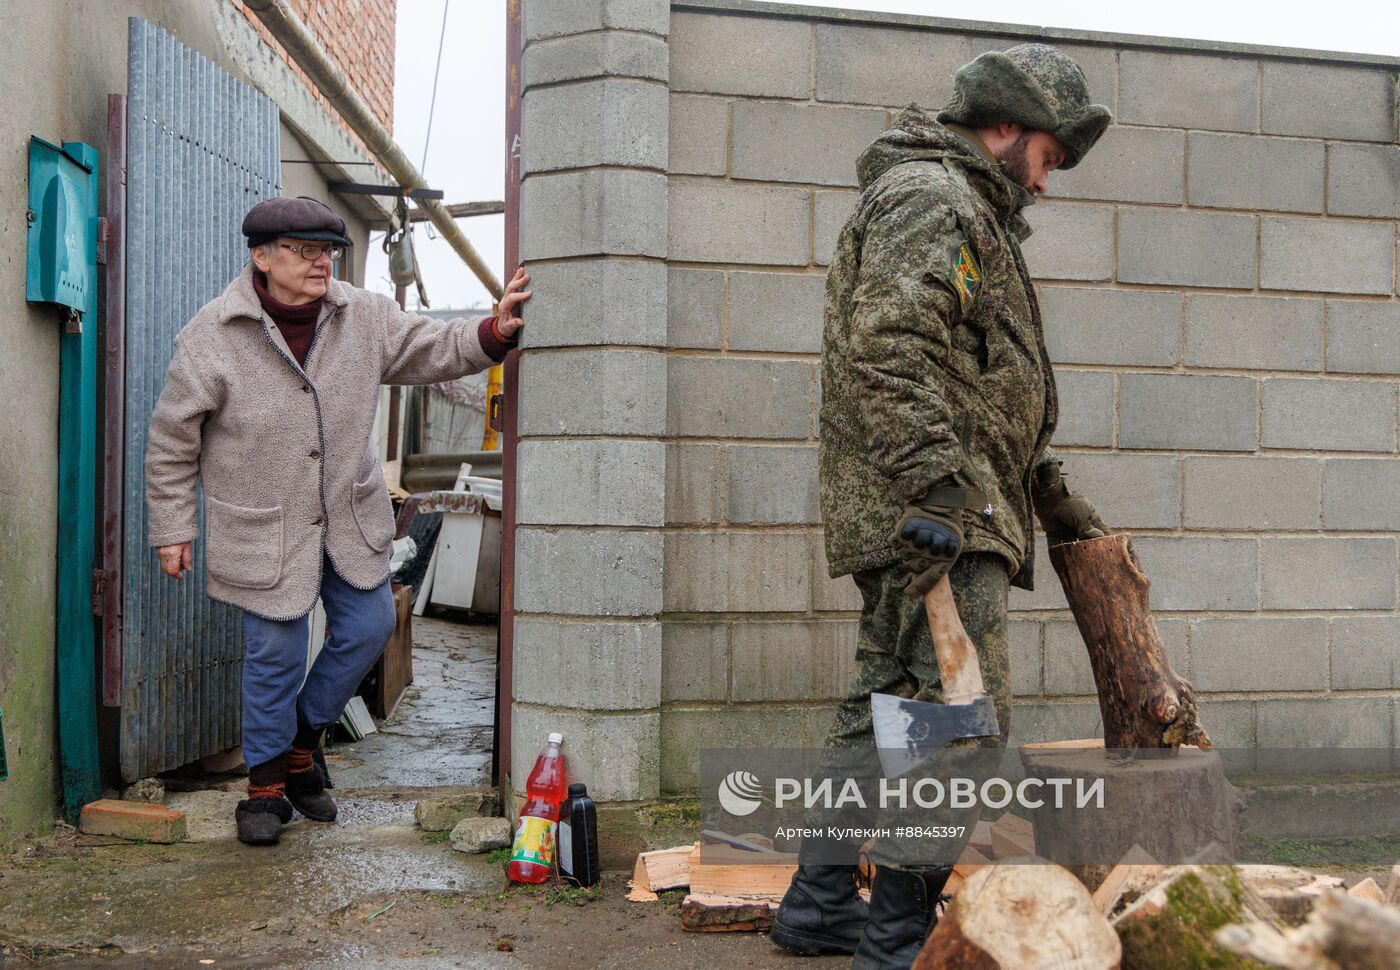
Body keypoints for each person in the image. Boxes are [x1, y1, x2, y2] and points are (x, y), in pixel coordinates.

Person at [771, 44, 1113, 968]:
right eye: (1048, 156)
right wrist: (936, 484)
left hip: (937, 502)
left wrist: (1051, 497)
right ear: (1004, 126)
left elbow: (991, 385)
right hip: (938, 514)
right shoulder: (938, 200)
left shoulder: (973, 213)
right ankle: (895, 943)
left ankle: (821, 903)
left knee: (881, 707)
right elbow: (894, 344)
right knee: (961, 727)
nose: (1049, 181)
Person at [144, 195, 531, 846]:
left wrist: (492, 332)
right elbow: (172, 441)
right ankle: (266, 790)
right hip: (265, 524)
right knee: (276, 653)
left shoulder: (363, 316)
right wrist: (171, 527)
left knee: (372, 621)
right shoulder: (214, 334)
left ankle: (301, 740)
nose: (321, 263)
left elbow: (433, 347)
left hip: (348, 513)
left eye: (328, 251)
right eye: (303, 251)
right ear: (262, 258)